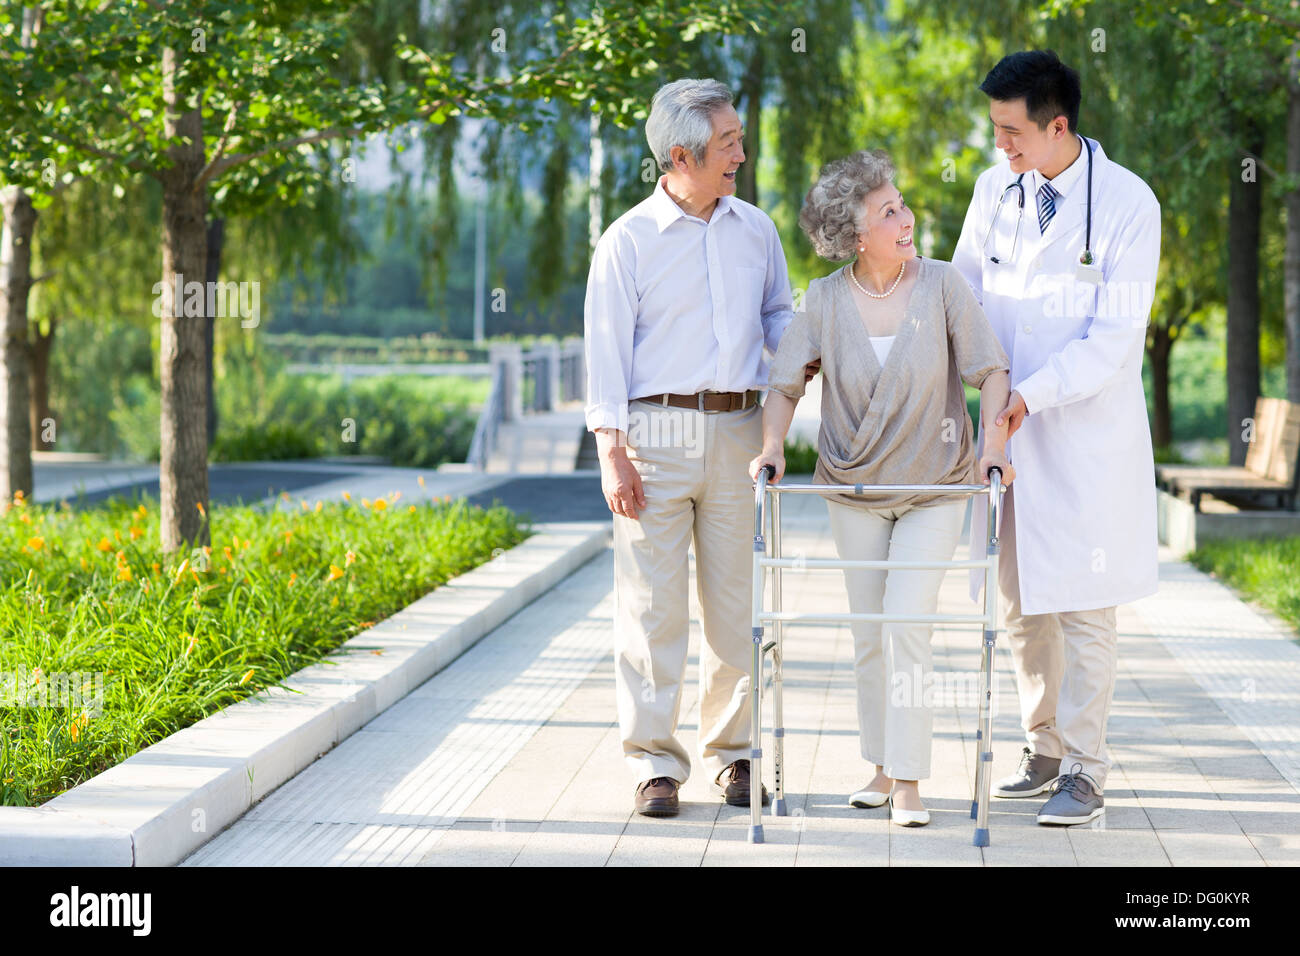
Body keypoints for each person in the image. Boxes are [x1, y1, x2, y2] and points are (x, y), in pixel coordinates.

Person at [750, 149, 1014, 827]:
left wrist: (992, 449)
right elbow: (784, 384)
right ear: (853, 237)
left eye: (902, 204)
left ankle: (909, 783)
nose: (907, 217)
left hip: (936, 483)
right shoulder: (825, 299)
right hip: (852, 486)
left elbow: (990, 372)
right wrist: (773, 446)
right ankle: (878, 765)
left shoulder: (944, 286)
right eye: (888, 212)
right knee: (869, 632)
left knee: (907, 625)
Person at [584, 77, 814, 818]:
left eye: (739, 140)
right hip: (655, 434)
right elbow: (606, 352)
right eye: (728, 144)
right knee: (652, 609)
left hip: (741, 431)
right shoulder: (628, 241)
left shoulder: (757, 229)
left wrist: (805, 362)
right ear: (680, 154)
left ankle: (736, 755)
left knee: (737, 606)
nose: (741, 155)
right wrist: (611, 450)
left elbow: (779, 315)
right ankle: (654, 763)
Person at [952, 50, 1161, 826]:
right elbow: (965, 295)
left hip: (1079, 436)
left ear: (1058, 126)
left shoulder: (1128, 205)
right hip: (1006, 437)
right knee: (1019, 603)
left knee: (1083, 605)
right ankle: (1041, 746)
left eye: (1012, 132)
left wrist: (1025, 400)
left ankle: (1086, 768)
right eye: (996, 130)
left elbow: (1112, 342)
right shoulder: (992, 188)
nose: (1001, 145)